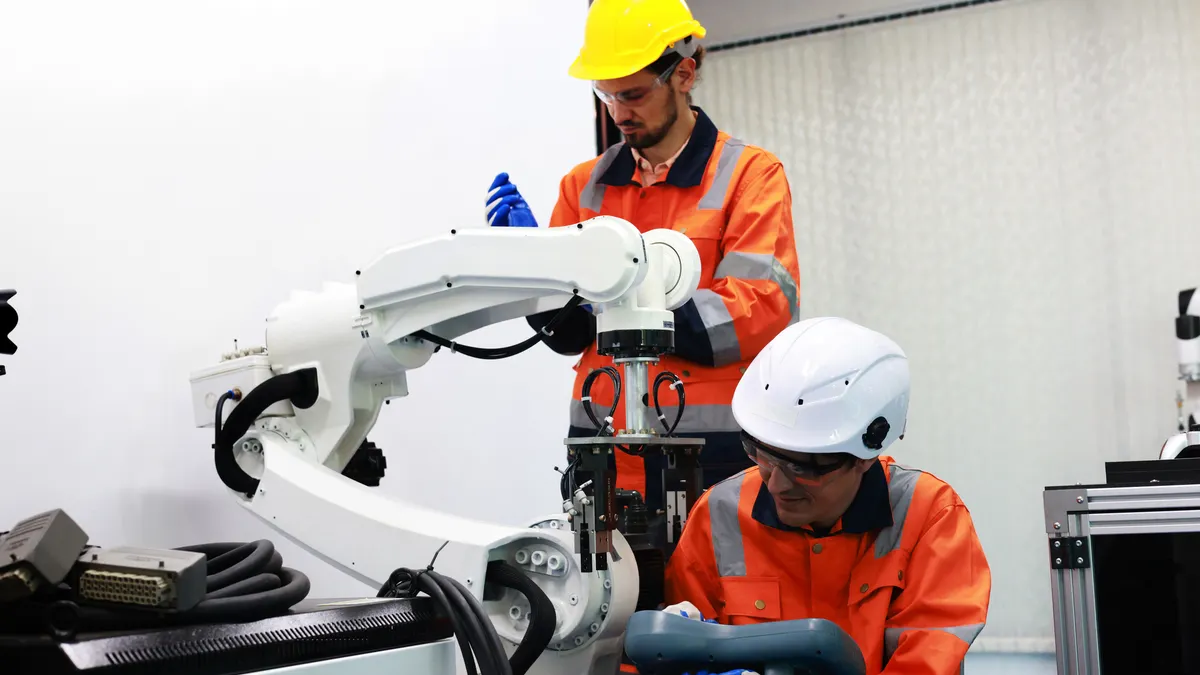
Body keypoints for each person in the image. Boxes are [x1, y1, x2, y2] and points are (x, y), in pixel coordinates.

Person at [485, 0, 800, 506]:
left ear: (684, 73)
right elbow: (569, 335)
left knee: (711, 589)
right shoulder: (582, 187)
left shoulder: (751, 176)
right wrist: (534, 266)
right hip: (601, 456)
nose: (618, 114)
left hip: (709, 455)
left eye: (632, 94)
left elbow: (757, 308)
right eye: (605, 96)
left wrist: (619, 304)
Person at [660, 317, 991, 675]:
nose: (776, 485)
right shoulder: (719, 515)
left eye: (804, 468)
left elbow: (926, 663)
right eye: (765, 457)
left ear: (866, 456)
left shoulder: (931, 517)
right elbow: (681, 654)